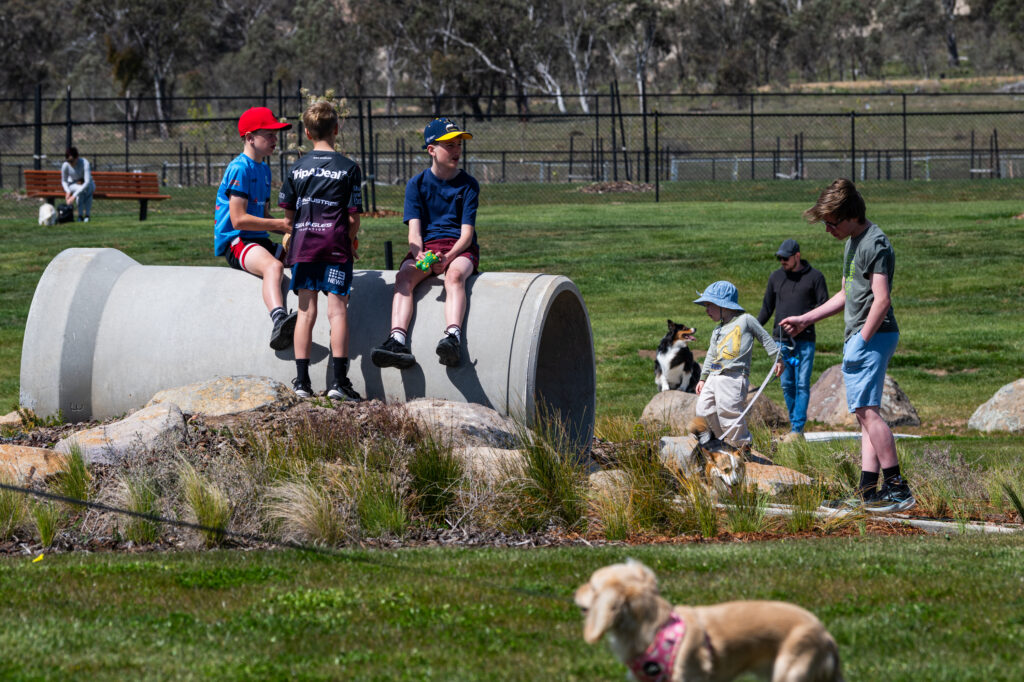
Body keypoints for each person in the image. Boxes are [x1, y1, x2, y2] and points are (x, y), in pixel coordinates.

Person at [780, 178, 914, 513]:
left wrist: (861, 341)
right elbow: (845, 295)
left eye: (831, 222)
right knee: (863, 414)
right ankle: (868, 491)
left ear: (850, 215)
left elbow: (881, 301)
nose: (827, 229)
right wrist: (806, 319)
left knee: (868, 412)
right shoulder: (852, 243)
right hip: (860, 337)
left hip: (874, 335)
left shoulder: (875, 243)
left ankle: (898, 489)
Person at [370, 117, 480, 369]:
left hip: (459, 249)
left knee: (454, 276)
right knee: (404, 277)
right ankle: (397, 340)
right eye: (449, 146)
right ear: (431, 150)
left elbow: (466, 235)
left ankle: (452, 337)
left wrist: (450, 256)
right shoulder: (416, 185)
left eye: (458, 145)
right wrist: (419, 254)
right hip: (428, 250)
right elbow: (414, 234)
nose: (456, 151)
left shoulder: (468, 185)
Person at [278, 101, 364, 401]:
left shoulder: (296, 168)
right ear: (336, 129)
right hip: (335, 247)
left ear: (306, 132)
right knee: (338, 312)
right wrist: (350, 242)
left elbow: (288, 219)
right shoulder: (349, 168)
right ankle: (339, 383)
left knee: (305, 311)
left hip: (303, 247)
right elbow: (353, 218)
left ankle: (301, 383)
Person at [214, 106, 296, 351]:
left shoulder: (263, 168)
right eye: (268, 134)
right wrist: (281, 224)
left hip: (258, 240)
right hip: (238, 241)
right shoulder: (240, 168)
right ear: (249, 138)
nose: (274, 139)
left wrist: (293, 229)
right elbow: (239, 219)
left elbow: (263, 215)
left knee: (303, 258)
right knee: (274, 266)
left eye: (275, 134)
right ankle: (279, 319)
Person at [693, 280, 782, 452]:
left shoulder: (746, 320)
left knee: (729, 413)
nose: (706, 311)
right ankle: (722, 441)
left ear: (723, 305)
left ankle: (742, 446)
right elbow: (711, 354)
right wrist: (703, 378)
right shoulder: (717, 331)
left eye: (709, 305)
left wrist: (777, 358)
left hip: (733, 376)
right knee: (703, 409)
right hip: (714, 376)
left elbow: (764, 337)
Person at [757, 238, 829, 442]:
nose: (782, 261)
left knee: (802, 384)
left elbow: (824, 306)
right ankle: (795, 426)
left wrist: (803, 323)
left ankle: (797, 429)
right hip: (780, 340)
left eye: (785, 258)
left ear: (797, 256)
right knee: (787, 384)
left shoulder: (815, 277)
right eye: (779, 258)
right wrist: (751, 328)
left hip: (805, 341)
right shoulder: (776, 277)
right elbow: (766, 309)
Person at [61, 147, 94, 222]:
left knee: (88, 189)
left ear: (77, 157)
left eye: (72, 161)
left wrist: (73, 196)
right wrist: (68, 191)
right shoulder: (65, 165)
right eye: (68, 161)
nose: (70, 163)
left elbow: (87, 182)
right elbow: (64, 181)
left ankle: (87, 215)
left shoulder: (85, 163)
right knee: (80, 190)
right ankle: (80, 215)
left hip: (87, 185)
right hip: (74, 185)